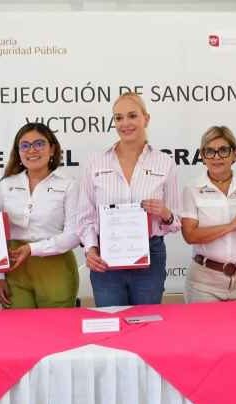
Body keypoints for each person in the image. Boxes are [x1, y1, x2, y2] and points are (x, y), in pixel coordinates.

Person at [77, 92, 180, 306]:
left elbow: (176, 221)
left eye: (132, 116)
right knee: (112, 319)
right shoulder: (95, 163)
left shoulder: (165, 163)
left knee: (146, 321)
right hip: (105, 256)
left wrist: (165, 213)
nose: (125, 123)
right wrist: (91, 249)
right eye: (119, 118)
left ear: (146, 119)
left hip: (150, 255)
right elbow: (85, 217)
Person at [0, 123, 80, 308]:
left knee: (56, 325)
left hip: (55, 268)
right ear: (18, 152)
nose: (31, 150)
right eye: (25, 145)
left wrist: (32, 249)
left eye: (39, 144)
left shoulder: (68, 184)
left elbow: (74, 235)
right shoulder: (6, 185)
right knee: (20, 326)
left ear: (52, 149)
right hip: (14, 268)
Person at [181, 126, 236, 303]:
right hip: (204, 283)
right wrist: (232, 225)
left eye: (223, 150)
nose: (216, 157)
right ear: (202, 156)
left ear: (235, 154)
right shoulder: (192, 189)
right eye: (210, 151)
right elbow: (190, 235)